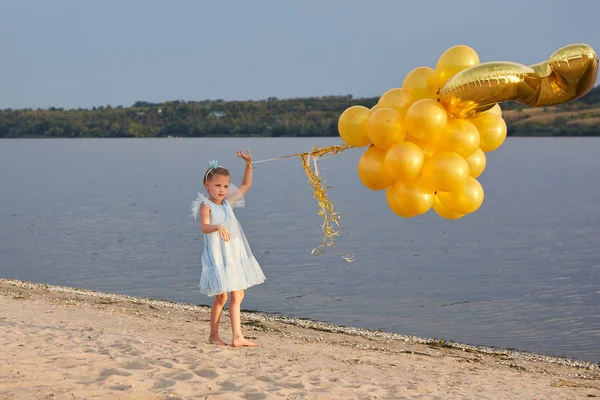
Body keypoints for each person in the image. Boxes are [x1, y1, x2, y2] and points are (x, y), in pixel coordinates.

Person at [191, 149, 265, 347]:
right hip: (218, 256)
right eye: (217, 185)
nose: (222, 190)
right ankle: (213, 334)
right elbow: (204, 227)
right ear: (207, 185)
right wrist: (218, 226)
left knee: (238, 294)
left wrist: (249, 163)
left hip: (233, 254)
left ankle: (237, 336)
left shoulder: (227, 204)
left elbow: (246, 185)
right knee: (221, 297)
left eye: (225, 186)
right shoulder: (206, 205)